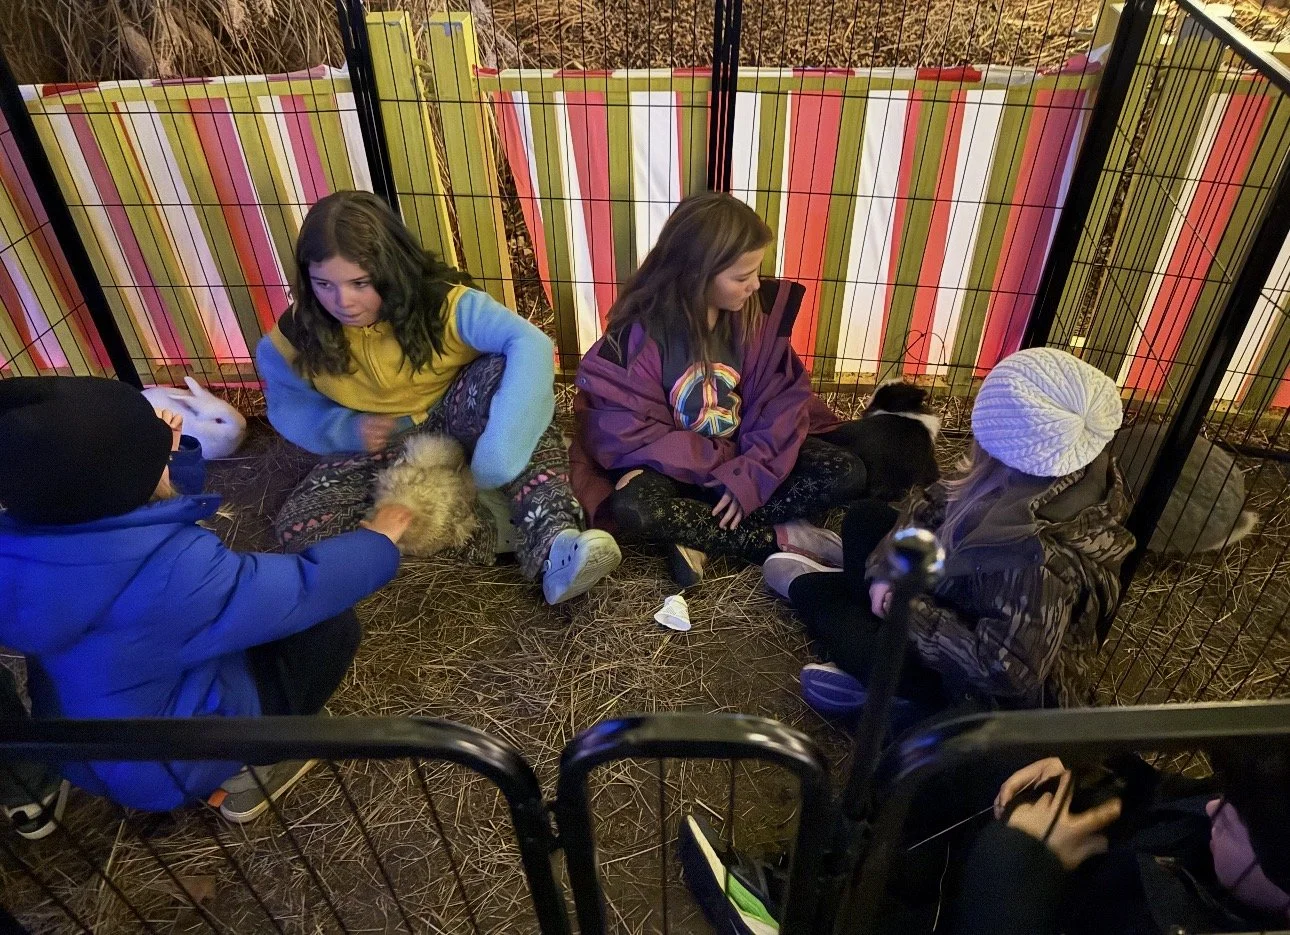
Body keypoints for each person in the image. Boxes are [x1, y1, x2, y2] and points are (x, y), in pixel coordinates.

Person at [0, 375, 411, 822]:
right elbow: (302, 587)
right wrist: (376, 540)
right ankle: (251, 769)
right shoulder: (175, 570)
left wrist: (167, 459)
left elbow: (133, 516)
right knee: (328, 627)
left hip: (78, 750)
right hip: (172, 762)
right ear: (130, 477)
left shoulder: (23, 546)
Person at [258, 190, 620, 605]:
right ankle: (484, 524)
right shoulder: (294, 335)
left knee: (502, 376)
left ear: (390, 270)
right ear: (307, 280)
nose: (343, 301)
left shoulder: (445, 302)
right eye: (324, 284)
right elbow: (289, 404)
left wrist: (499, 452)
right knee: (299, 528)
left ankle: (554, 545)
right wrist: (344, 429)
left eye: (360, 283)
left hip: (459, 416)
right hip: (377, 442)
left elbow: (529, 343)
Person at [763, 347, 1135, 720]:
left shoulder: (1032, 560)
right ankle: (856, 595)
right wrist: (887, 572)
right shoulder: (1056, 468)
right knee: (865, 518)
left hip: (967, 683)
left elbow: (1006, 673)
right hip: (955, 595)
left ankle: (903, 703)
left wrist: (909, 609)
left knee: (815, 595)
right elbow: (929, 505)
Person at [570, 192, 876, 586]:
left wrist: (750, 472)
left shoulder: (755, 320)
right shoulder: (636, 338)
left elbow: (780, 403)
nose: (755, 286)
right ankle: (782, 538)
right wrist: (725, 469)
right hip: (676, 469)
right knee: (634, 507)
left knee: (846, 472)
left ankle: (697, 532)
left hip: (746, 458)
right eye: (742, 277)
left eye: (756, 272)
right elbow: (624, 430)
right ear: (697, 274)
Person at [952, 746, 1290, 934]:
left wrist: (1019, 857)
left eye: (1232, 822)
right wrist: (1082, 774)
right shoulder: (1260, 811)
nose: (1212, 806)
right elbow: (1160, 795)